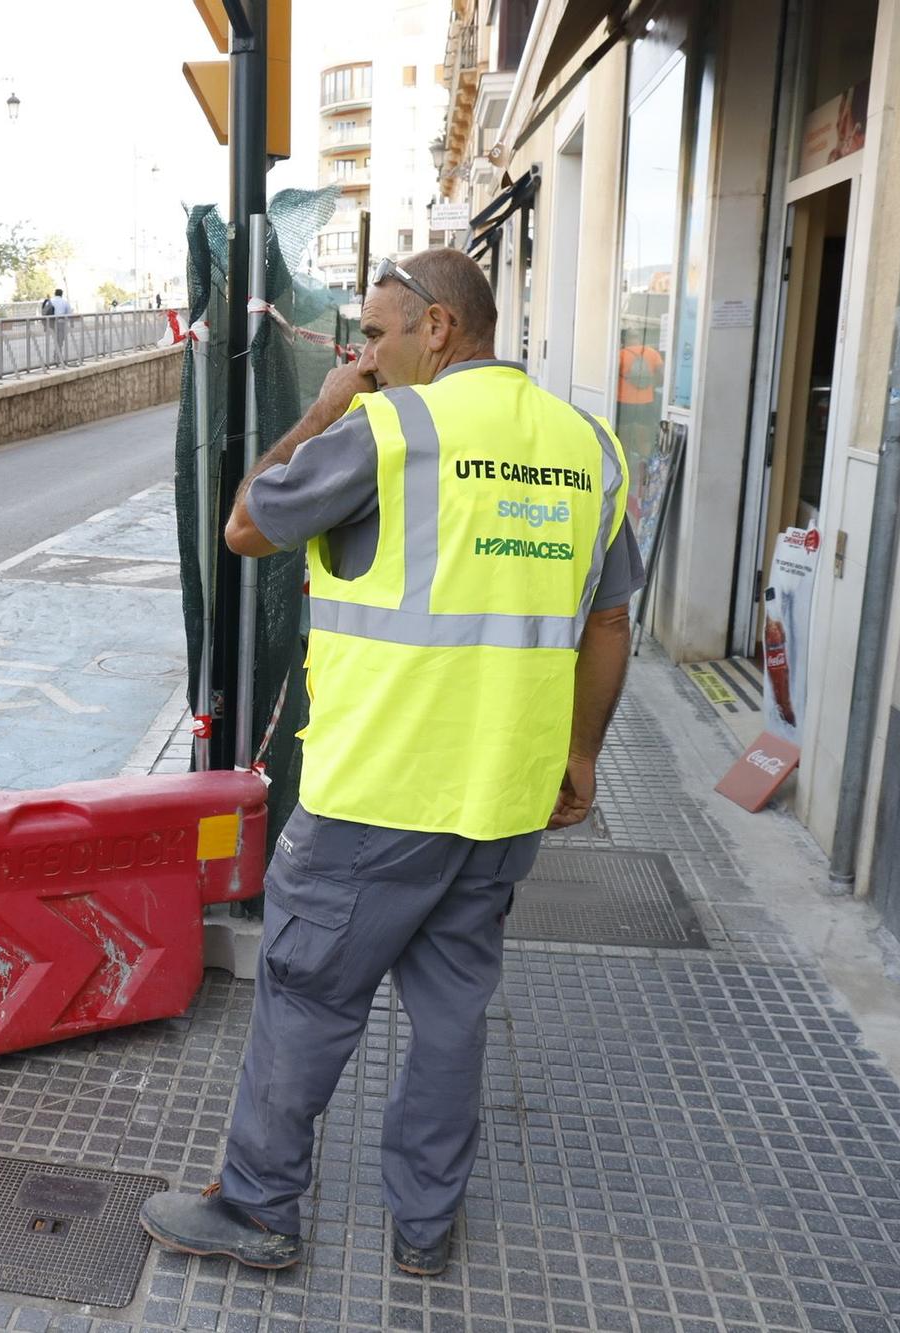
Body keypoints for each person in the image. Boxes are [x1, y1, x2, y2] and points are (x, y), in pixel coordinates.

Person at [139, 249, 641, 1278]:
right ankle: (422, 1226)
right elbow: (608, 621)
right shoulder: (587, 448)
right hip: (504, 799)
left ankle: (257, 1205)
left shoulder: (388, 432)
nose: (361, 355)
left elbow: (242, 524)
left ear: (439, 329)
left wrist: (323, 409)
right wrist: (580, 753)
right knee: (451, 1016)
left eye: (373, 335)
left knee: (304, 995)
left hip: (378, 794)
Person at [614, 324, 663, 466]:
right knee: (645, 440)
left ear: (626, 339)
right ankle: (645, 470)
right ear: (640, 338)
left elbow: (612, 377)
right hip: (646, 402)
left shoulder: (620, 354)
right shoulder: (652, 353)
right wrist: (651, 385)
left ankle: (624, 469)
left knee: (624, 439)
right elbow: (661, 375)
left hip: (624, 402)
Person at [44, 287, 72, 363]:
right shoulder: (64, 302)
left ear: (55, 293)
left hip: (51, 323)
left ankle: (56, 356)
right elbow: (69, 313)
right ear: (61, 294)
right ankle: (57, 356)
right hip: (61, 323)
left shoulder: (50, 301)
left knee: (55, 339)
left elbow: (45, 312)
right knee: (59, 340)